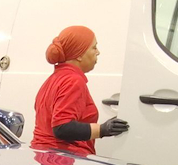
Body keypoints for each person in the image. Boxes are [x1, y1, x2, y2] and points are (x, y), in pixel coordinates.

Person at [32, 25, 129, 155]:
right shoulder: (73, 81)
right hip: (64, 159)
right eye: (94, 47)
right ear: (79, 55)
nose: (98, 52)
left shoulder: (53, 79)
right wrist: (102, 130)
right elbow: (62, 128)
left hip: (44, 156)